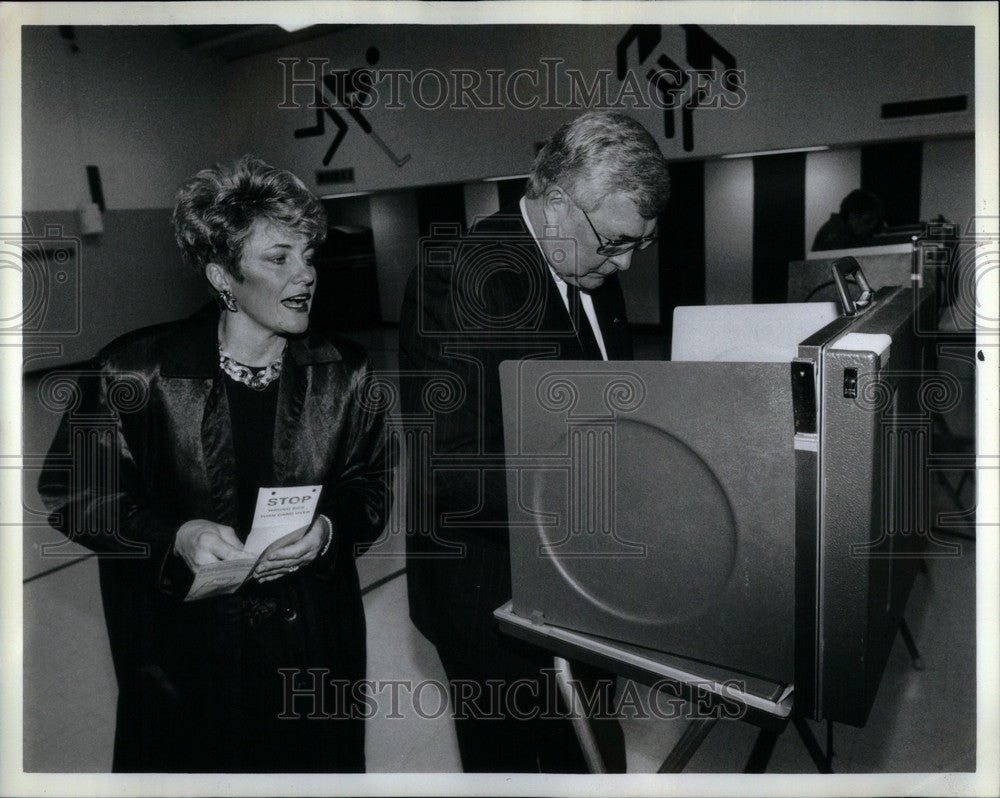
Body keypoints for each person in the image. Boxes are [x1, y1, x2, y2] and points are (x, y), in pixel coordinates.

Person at [38, 156, 393, 772]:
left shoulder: (347, 371)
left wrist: (329, 529)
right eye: (279, 258)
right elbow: (75, 492)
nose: (305, 274)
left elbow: (370, 488)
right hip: (184, 653)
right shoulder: (134, 371)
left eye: (308, 255)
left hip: (310, 642)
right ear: (223, 275)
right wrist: (175, 535)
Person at [398, 111, 670, 772]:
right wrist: (599, 490)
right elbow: (453, 470)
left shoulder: (591, 268)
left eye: (638, 245)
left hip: (583, 586)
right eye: (614, 242)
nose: (625, 262)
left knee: (589, 759)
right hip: (493, 602)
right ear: (553, 205)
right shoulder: (460, 276)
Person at [812, 188, 885, 250]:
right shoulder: (836, 236)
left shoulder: (837, 230)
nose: (871, 227)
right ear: (852, 216)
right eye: (867, 221)